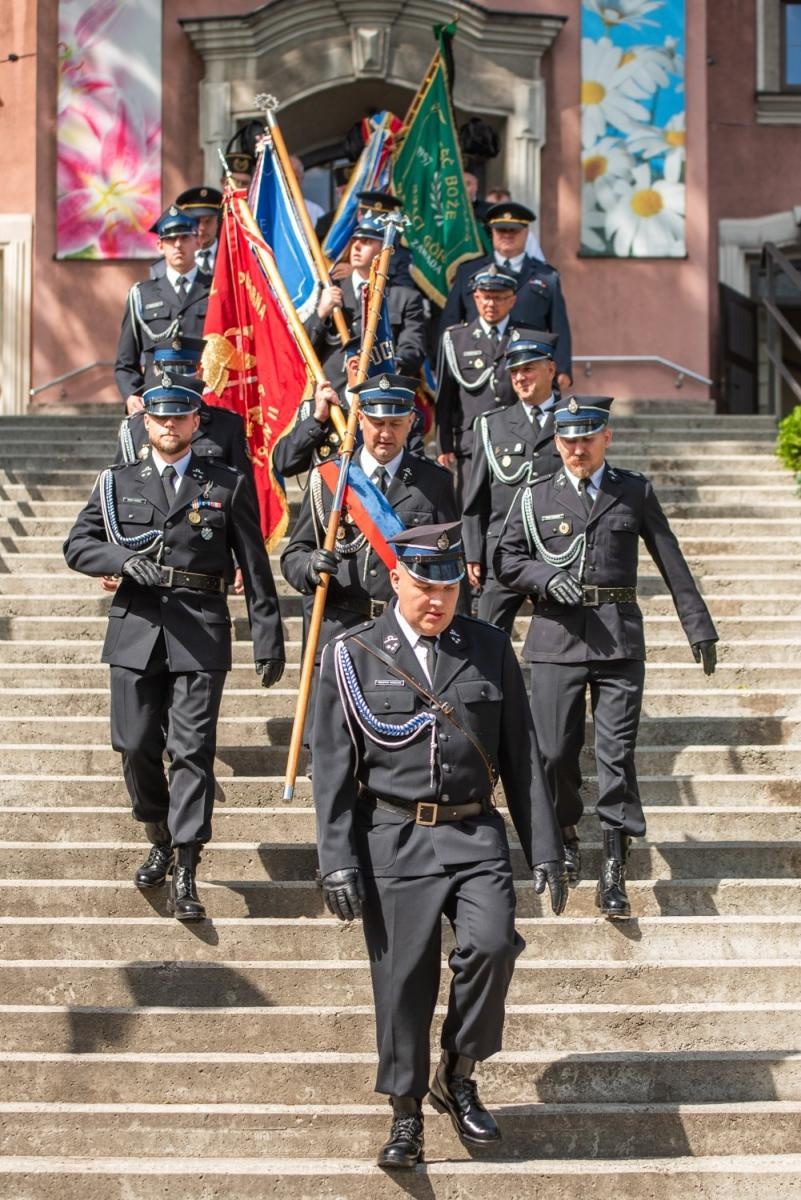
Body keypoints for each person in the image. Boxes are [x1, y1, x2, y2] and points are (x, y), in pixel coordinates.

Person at [313, 520, 568, 1168]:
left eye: (449, 588)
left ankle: (457, 1073)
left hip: (474, 832)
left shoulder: (487, 647)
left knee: (492, 946)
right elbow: (333, 769)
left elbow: (521, 754)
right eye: (425, 586)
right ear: (396, 578)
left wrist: (543, 847)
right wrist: (336, 860)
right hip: (394, 836)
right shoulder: (353, 653)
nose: (437, 600)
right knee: (402, 981)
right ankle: (405, 1115)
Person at [63, 382, 285, 921]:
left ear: (195, 422)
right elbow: (77, 544)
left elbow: (255, 567)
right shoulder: (117, 483)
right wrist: (119, 560)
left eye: (180, 417)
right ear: (146, 424)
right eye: (160, 418)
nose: (169, 425)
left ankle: (186, 863)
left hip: (200, 630)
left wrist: (268, 639)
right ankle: (159, 833)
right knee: (134, 742)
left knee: (192, 751)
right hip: (136, 627)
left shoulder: (226, 484)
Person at [494, 396, 719, 917]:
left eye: (587, 439)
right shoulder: (534, 496)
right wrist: (544, 577)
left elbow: (671, 560)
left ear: (606, 439)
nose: (578, 449)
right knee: (554, 752)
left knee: (616, 755)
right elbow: (506, 556)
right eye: (569, 440)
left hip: (618, 639)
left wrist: (698, 626)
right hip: (556, 638)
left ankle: (614, 862)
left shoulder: (633, 491)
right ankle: (566, 832)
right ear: (557, 443)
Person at [281, 373, 457, 654]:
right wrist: (310, 565)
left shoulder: (435, 482)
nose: (385, 433)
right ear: (360, 418)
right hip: (339, 632)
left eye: (395, 423)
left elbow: (451, 564)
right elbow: (294, 554)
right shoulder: (329, 478)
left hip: (406, 634)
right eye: (377, 423)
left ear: (411, 421)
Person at [463, 328, 563, 632]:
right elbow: (476, 497)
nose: (520, 378)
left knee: (561, 639)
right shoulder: (493, 424)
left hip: (556, 550)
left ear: (550, 369)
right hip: (503, 552)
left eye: (528, 368)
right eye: (514, 371)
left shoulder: (571, 420)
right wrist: (473, 552)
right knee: (487, 637)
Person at [439, 201, 572, 389]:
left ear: (526, 233)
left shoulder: (547, 276)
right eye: (501, 230)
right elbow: (450, 321)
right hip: (478, 366)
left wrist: (563, 368)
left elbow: (559, 327)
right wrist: (443, 364)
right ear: (492, 232)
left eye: (514, 230)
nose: (507, 235)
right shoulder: (468, 272)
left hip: (529, 367)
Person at [305, 211, 426, 394]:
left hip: (378, 395)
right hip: (333, 397)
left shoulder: (404, 298)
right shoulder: (328, 290)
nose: (357, 246)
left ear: (386, 250)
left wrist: (382, 369)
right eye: (355, 240)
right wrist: (321, 314)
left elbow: (412, 351)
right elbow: (304, 346)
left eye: (367, 241)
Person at [435, 263, 519, 506]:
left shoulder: (525, 337)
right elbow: (445, 396)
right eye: (486, 297)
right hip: (471, 444)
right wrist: (443, 445)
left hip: (515, 442)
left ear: (512, 300)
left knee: (510, 513)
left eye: (498, 298)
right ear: (476, 298)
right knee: (470, 511)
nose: (491, 304)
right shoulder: (456, 339)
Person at [114, 206, 212, 414]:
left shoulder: (217, 289)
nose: (178, 245)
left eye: (185, 237)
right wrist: (131, 395)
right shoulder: (142, 295)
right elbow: (125, 362)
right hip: (158, 405)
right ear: (160, 245)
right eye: (170, 239)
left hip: (206, 402)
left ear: (198, 241)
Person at [151, 187, 222, 280]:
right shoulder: (160, 268)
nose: (202, 228)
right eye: (197, 221)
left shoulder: (233, 259)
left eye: (208, 221)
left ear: (217, 222)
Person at [485, 187, 545, 262]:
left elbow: (538, 261)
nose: (507, 235)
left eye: (505, 206)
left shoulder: (526, 235)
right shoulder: (479, 234)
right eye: (491, 206)